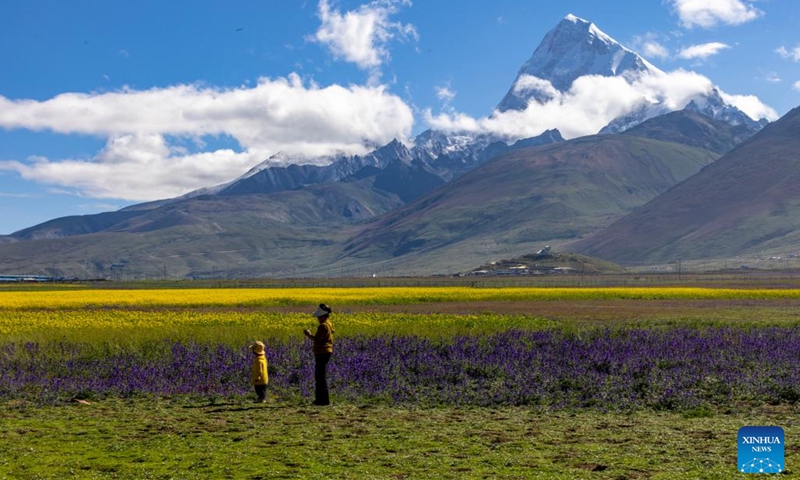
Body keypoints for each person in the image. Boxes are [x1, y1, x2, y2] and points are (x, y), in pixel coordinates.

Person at [303, 303, 334, 406]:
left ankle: (321, 400)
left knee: (319, 377)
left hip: (322, 352)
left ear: (322, 316)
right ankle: (323, 400)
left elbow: (317, 340)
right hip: (327, 351)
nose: (318, 319)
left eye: (319, 317)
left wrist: (308, 335)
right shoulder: (329, 324)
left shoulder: (323, 326)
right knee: (321, 376)